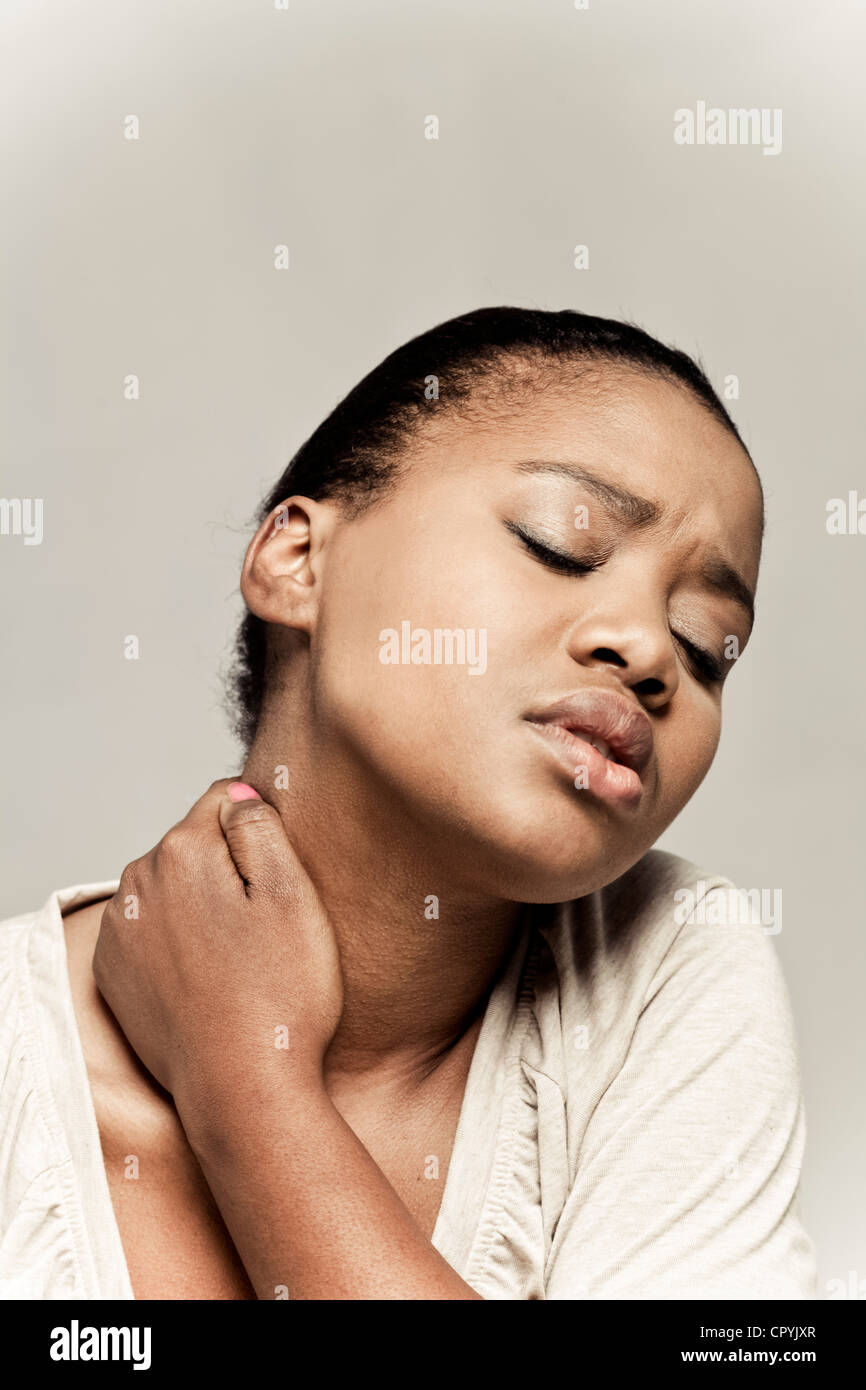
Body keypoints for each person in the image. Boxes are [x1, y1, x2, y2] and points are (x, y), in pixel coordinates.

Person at [0, 307, 817, 1300]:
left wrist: (247, 1087)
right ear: (296, 561)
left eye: (703, 643)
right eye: (560, 541)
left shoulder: (661, 975)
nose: (647, 652)